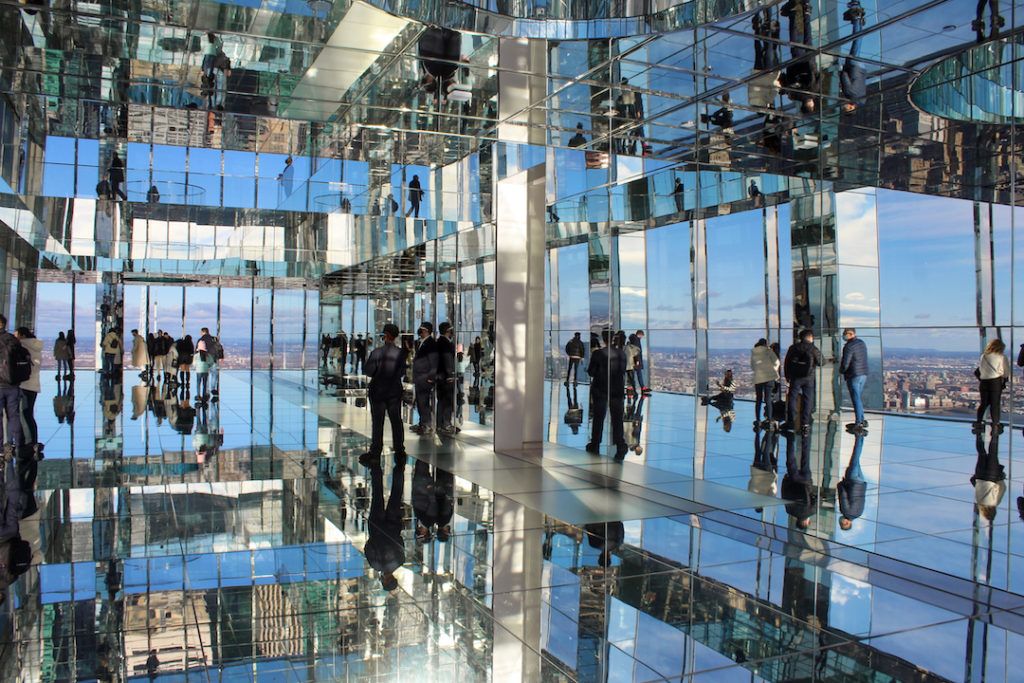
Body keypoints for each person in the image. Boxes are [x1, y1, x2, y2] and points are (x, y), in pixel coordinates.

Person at [359, 324, 408, 466]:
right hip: (394, 391)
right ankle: (400, 451)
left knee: (378, 422)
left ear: (385, 335)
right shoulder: (400, 353)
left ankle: (375, 453)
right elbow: (402, 373)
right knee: (396, 421)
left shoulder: (377, 352)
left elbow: (368, 371)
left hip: (378, 391)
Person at [363, 459, 407, 592]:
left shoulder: (400, 561)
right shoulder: (376, 565)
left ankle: (399, 468)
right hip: (377, 526)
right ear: (386, 580)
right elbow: (368, 547)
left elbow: (400, 542)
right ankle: (375, 468)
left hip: (393, 526)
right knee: (377, 495)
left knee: (396, 495)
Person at [586, 330, 628, 459]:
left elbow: (591, 372)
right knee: (617, 418)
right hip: (617, 388)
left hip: (601, 388)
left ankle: (595, 442)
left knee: (599, 417)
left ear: (603, 339)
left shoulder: (598, 353)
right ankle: (620, 443)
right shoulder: (621, 353)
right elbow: (623, 370)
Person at [783, 328, 824, 435]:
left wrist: (787, 376)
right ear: (810, 337)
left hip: (795, 378)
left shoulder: (793, 348)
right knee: (808, 400)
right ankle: (805, 424)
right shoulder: (813, 349)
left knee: (792, 398)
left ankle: (791, 422)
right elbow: (821, 362)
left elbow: (787, 363)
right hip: (809, 378)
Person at [412, 460, 454, 543]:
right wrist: (431, 490)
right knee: (424, 463)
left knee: (440, 464)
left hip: (424, 489)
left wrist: (431, 490)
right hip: (424, 489)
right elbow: (435, 505)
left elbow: (436, 504)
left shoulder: (433, 520)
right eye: (419, 534)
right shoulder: (431, 520)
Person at [975, 338, 1010, 432]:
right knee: (995, 404)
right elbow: (1006, 372)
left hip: (984, 382)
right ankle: (995, 425)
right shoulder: (1002, 357)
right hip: (995, 382)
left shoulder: (984, 356)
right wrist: (1004, 378)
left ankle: (978, 422)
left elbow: (981, 370)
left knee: (984, 403)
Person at [14, 328, 40, 449]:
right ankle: (32, 440)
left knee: (23, 413)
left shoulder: (22, 347)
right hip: (34, 384)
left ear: (22, 335)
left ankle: (29, 442)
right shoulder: (35, 346)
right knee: (28, 413)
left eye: (16, 335)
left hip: (24, 384)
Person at [839, 327, 869, 432]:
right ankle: (862, 419)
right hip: (863, 373)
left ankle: (858, 423)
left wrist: (841, 371)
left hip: (853, 374)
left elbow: (846, 362)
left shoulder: (849, 346)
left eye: (845, 333)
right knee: (858, 398)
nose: (843, 335)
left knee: (856, 399)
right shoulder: (862, 343)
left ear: (851, 334)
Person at [0, 316, 23, 452]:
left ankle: (1, 447)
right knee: (13, 415)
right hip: (12, 384)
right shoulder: (13, 340)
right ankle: (14, 443)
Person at [972, 432, 1006, 521]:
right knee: (981, 452)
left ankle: (995, 430)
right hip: (980, 474)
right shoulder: (978, 501)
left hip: (992, 476)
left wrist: (1000, 478)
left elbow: (1002, 488)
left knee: (993, 453)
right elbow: (976, 485)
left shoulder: (995, 502)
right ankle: (978, 432)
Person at [839, 1, 866, 112]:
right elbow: (844, 75)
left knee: (857, 42)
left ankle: (858, 21)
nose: (843, 106)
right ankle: (857, 17)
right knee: (856, 41)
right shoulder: (849, 94)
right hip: (853, 67)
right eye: (845, 108)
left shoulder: (862, 101)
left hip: (861, 69)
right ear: (851, 107)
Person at [411, 322, 437, 434]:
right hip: (420, 377)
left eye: (421, 330)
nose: (419, 332)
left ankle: (426, 424)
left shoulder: (431, 344)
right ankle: (422, 423)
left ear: (426, 331)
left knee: (423, 402)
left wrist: (431, 377)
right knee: (420, 402)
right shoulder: (422, 343)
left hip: (425, 378)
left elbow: (434, 361)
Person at [837, 431, 866, 531]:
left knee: (856, 460)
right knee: (854, 458)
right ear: (846, 523)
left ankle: (861, 438)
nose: (840, 521)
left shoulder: (859, 514)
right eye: (842, 523)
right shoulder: (845, 512)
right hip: (852, 482)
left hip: (861, 483)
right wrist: (840, 484)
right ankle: (860, 436)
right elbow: (843, 495)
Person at [434, 322, 458, 434]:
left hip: (439, 377)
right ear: (448, 331)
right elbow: (448, 359)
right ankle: (446, 424)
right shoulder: (446, 344)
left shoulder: (438, 342)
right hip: (446, 377)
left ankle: (439, 424)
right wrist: (450, 375)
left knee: (441, 401)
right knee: (447, 401)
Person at [751, 338, 780, 426]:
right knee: (768, 399)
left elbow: (752, 366)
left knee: (758, 399)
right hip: (769, 378)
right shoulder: (769, 351)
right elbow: (777, 363)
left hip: (759, 377)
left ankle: (758, 419)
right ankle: (770, 419)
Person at [626, 330, 649, 396]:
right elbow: (636, 352)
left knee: (631, 375)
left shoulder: (632, 340)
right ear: (640, 334)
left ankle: (630, 388)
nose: (642, 337)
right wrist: (637, 361)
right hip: (636, 361)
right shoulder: (636, 340)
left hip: (631, 361)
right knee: (639, 374)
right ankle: (642, 388)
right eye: (642, 336)